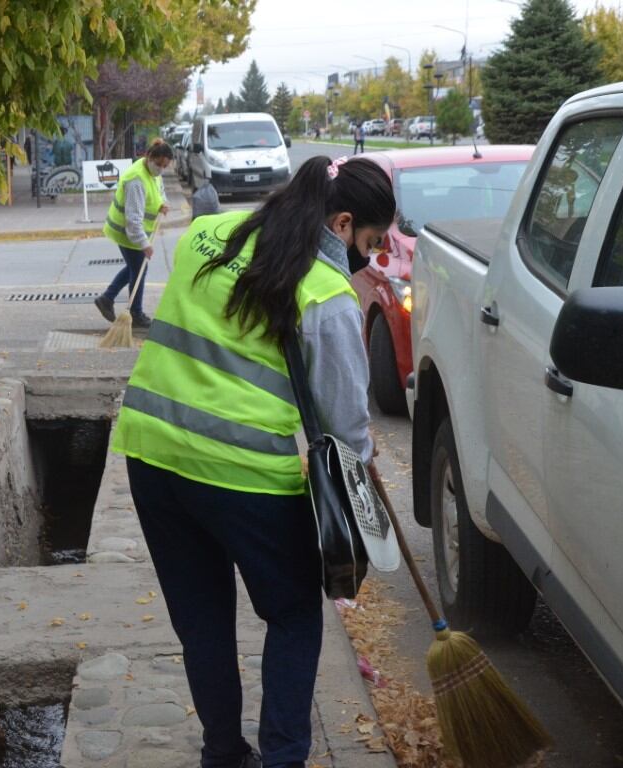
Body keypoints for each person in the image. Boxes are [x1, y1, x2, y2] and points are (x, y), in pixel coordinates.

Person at [110, 155, 395, 768]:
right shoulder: (325, 293)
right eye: (368, 245)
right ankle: (282, 759)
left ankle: (223, 754)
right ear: (341, 224)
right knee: (293, 614)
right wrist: (364, 482)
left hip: (151, 455)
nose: (366, 261)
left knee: (203, 620)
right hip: (242, 477)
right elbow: (346, 428)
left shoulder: (209, 234)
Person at [94, 138, 174, 329]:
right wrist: (145, 244)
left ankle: (107, 298)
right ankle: (135, 313)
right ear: (149, 157)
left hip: (135, 231)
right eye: (159, 164)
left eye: (165, 166)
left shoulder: (151, 170)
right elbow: (133, 219)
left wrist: (163, 202)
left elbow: (159, 189)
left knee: (135, 268)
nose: (161, 169)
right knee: (139, 269)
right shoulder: (136, 180)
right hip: (127, 232)